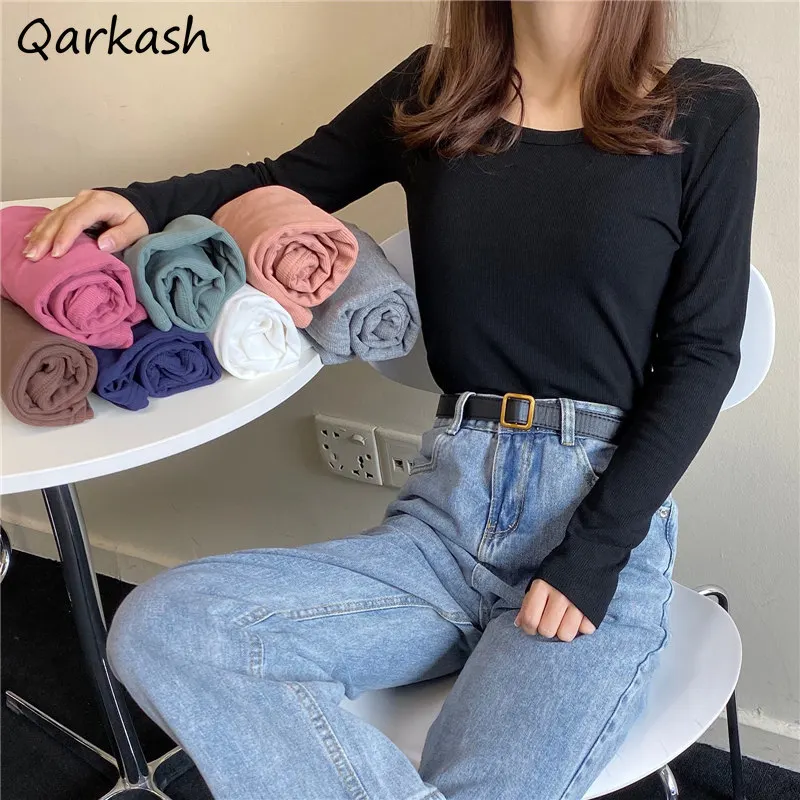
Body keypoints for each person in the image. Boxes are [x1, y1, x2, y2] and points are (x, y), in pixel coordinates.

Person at [23, 1, 759, 798]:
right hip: (443, 526)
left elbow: (703, 354)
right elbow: (279, 182)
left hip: (597, 525)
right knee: (166, 628)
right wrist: (141, 204)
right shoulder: (435, 90)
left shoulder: (706, 108)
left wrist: (595, 553)